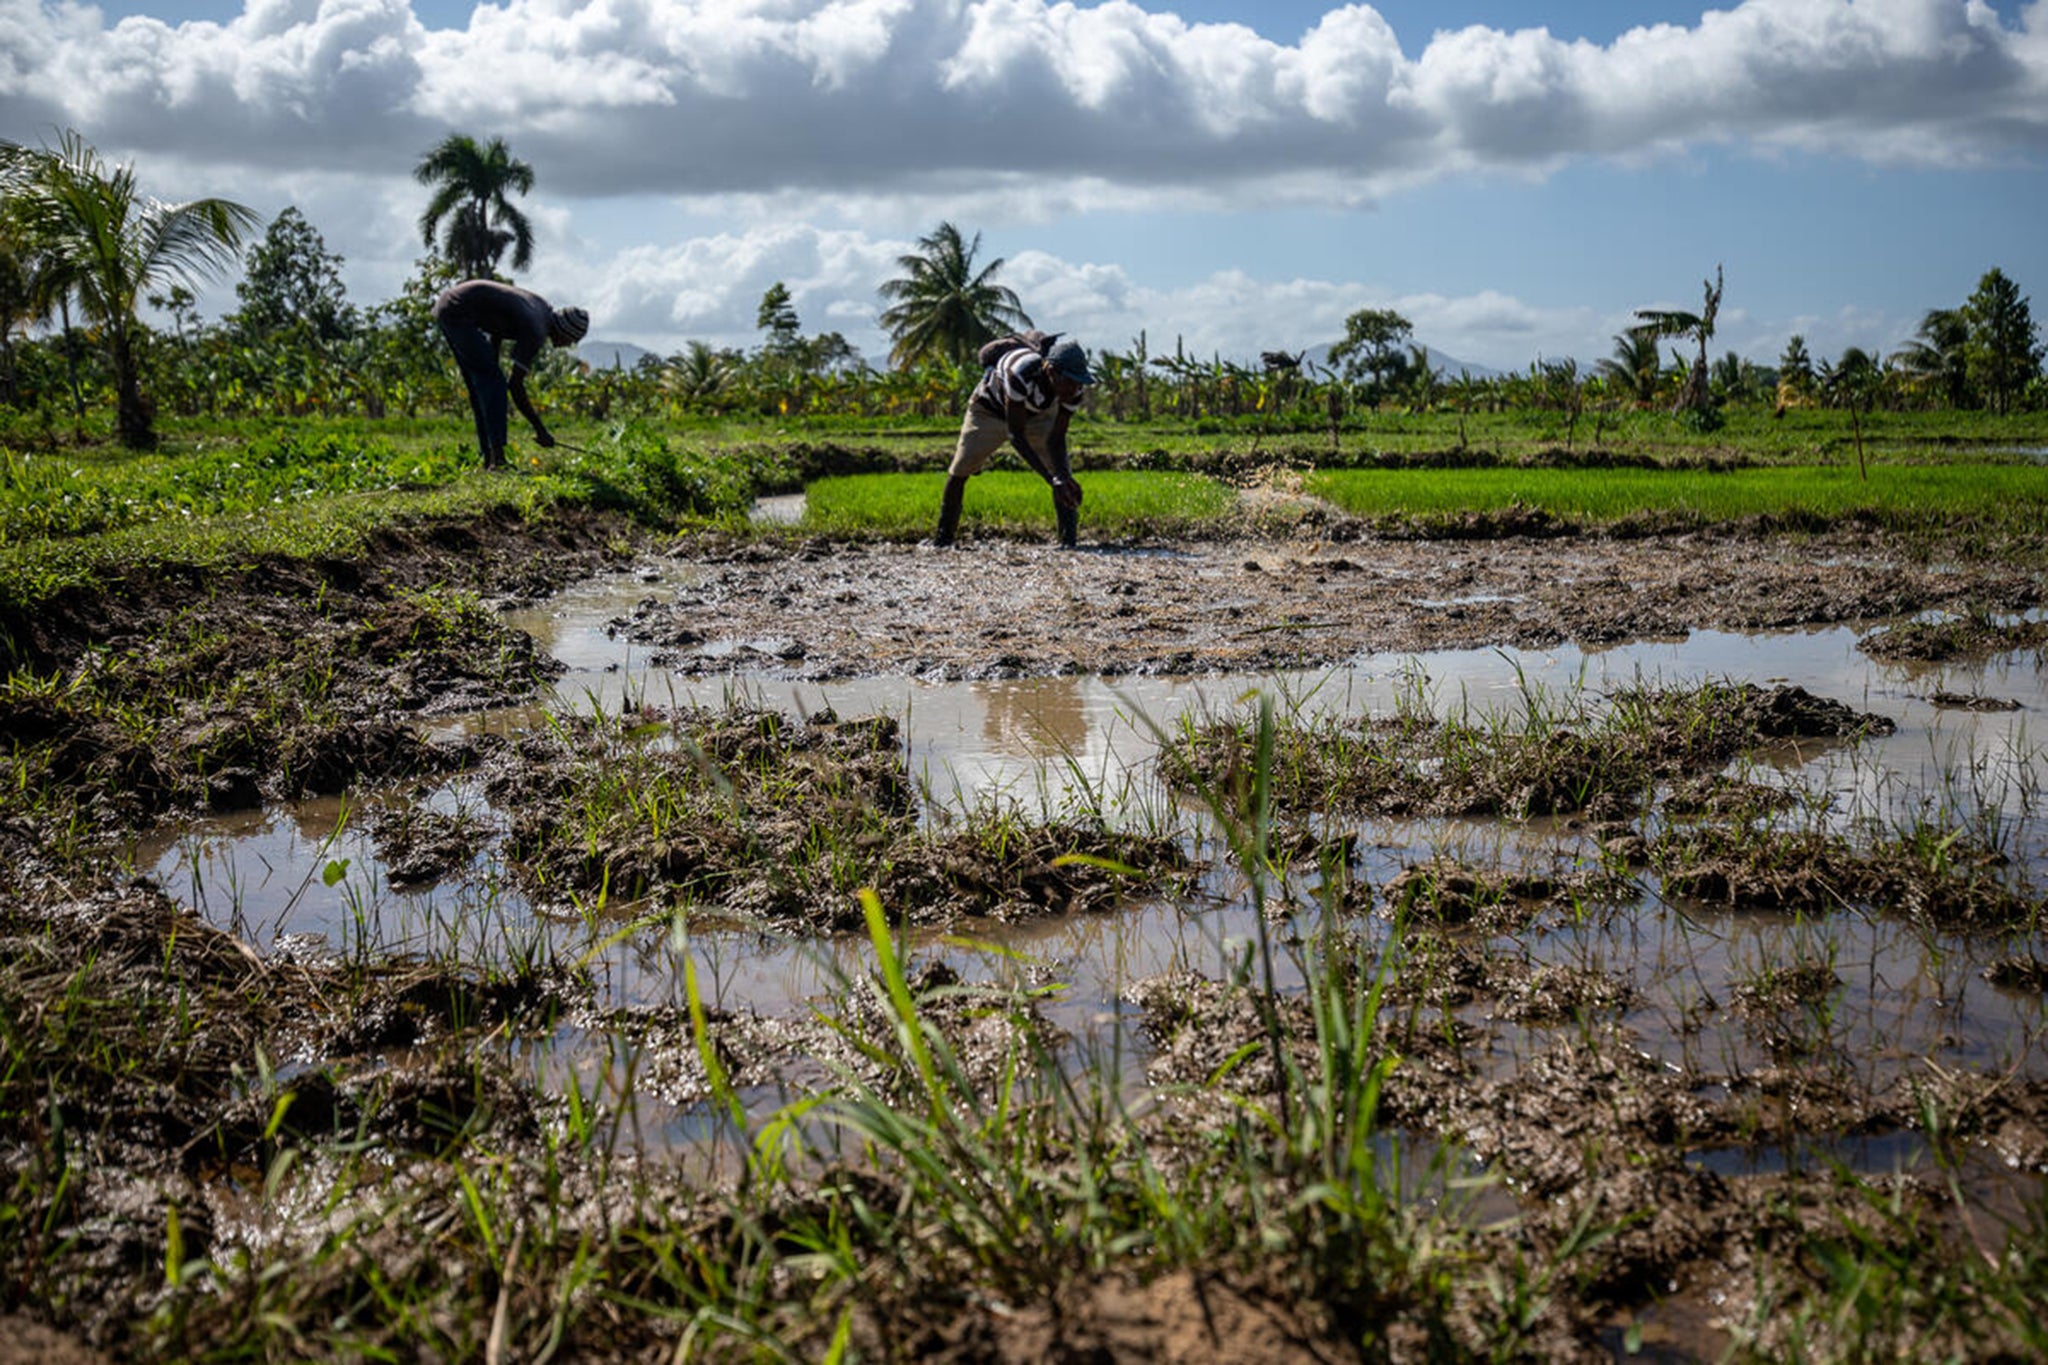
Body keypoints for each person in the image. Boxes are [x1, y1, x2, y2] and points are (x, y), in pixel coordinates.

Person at [935, 335, 1094, 548]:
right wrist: (1051, 480)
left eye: (1078, 382)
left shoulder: (1074, 390)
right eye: (1069, 381)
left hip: (1037, 415)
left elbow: (1057, 439)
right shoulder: (1021, 373)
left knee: (1061, 473)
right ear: (1051, 371)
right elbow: (1016, 436)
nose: (1074, 389)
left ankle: (1069, 543)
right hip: (990, 411)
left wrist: (1061, 477)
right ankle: (943, 540)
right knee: (962, 467)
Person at [431, 279, 588, 470]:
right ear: (566, 331)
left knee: (482, 388)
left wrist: (492, 362)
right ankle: (498, 461)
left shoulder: (542, 310)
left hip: (450, 304)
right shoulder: (536, 329)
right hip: (458, 311)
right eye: (572, 339)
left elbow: (498, 326)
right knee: (494, 384)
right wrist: (540, 430)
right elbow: (515, 386)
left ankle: (489, 459)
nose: (569, 345)